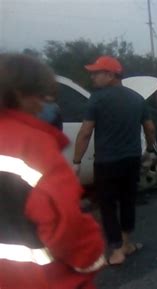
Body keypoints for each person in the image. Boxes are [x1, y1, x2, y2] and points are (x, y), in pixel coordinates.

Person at [0, 54, 105, 289]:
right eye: (42, 95)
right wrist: (91, 258)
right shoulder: (31, 146)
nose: (45, 103)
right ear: (18, 94)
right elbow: (65, 223)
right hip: (41, 279)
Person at [73, 55, 156, 265]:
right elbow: (150, 127)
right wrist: (151, 150)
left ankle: (117, 250)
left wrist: (76, 161)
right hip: (131, 160)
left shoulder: (97, 99)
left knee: (107, 205)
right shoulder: (137, 99)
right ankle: (127, 243)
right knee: (128, 201)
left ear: (110, 74)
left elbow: (85, 132)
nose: (92, 77)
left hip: (106, 162)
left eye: (96, 73)